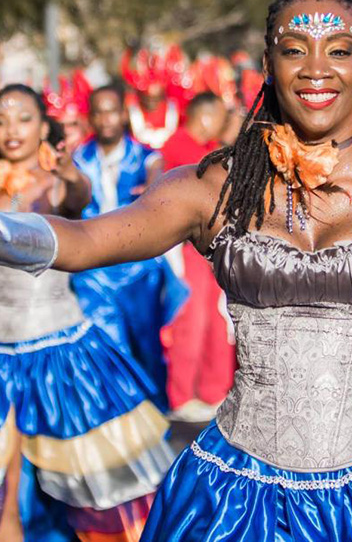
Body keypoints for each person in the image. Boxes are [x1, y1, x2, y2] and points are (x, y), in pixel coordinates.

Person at [0, 0, 352, 542]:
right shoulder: (216, 186)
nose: (316, 69)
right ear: (268, 65)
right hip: (233, 499)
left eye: (338, 51)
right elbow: (86, 239)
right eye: (295, 50)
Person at [0, 84, 173, 541]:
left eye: (22, 118)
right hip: (2, 358)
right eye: (1, 119)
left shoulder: (56, 181)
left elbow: (79, 198)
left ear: (43, 126)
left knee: (89, 500)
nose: (11, 129)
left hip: (61, 358)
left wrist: (69, 174)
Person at [72, 84, 188, 411]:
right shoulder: (79, 160)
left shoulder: (146, 156)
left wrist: (154, 185)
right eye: (98, 112)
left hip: (138, 268)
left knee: (145, 343)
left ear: (124, 114)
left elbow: (158, 173)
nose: (106, 119)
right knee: (105, 343)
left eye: (112, 110)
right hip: (94, 269)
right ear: (90, 118)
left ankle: (155, 412)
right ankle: (113, 415)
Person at [161, 93, 235, 420]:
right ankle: (183, 395)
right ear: (205, 117)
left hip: (216, 248)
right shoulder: (177, 148)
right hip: (187, 247)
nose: (225, 123)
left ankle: (214, 391)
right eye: (221, 116)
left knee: (219, 321)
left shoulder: (212, 148)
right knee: (191, 322)